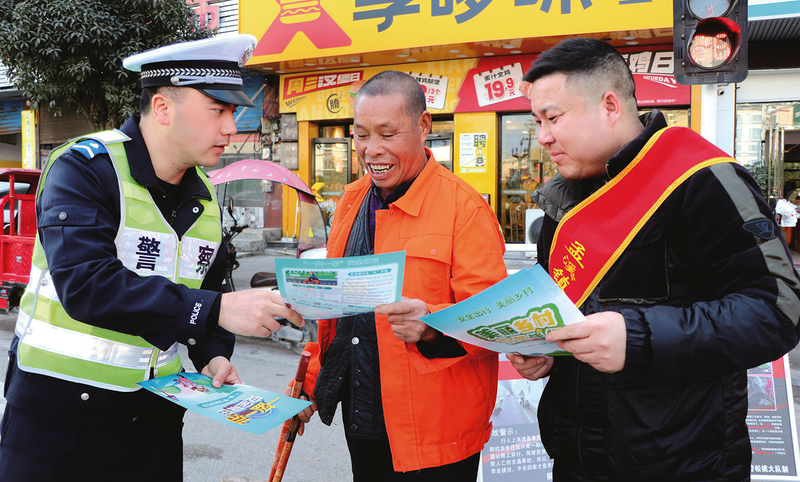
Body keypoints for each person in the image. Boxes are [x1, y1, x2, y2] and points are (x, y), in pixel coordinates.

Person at [0, 35, 304, 482]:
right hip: (58, 422)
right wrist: (216, 310)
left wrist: (212, 355)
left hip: (154, 420)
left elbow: (208, 287)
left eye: (234, 113)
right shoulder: (85, 168)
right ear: (162, 108)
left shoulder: (205, 195)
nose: (231, 129)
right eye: (218, 111)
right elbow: (86, 285)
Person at [508, 37, 800, 481]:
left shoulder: (701, 180)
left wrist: (638, 337)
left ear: (609, 106)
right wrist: (542, 351)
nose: (542, 136)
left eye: (553, 118)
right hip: (576, 458)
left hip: (684, 465)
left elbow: (777, 311)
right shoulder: (563, 200)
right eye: (537, 121)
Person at [297, 71, 507, 481]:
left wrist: (430, 326)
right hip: (362, 415)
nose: (371, 149)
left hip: (436, 430)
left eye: (387, 134)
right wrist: (310, 378)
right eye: (360, 135)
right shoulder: (352, 200)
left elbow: (493, 320)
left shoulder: (464, 209)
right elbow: (341, 317)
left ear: (423, 126)